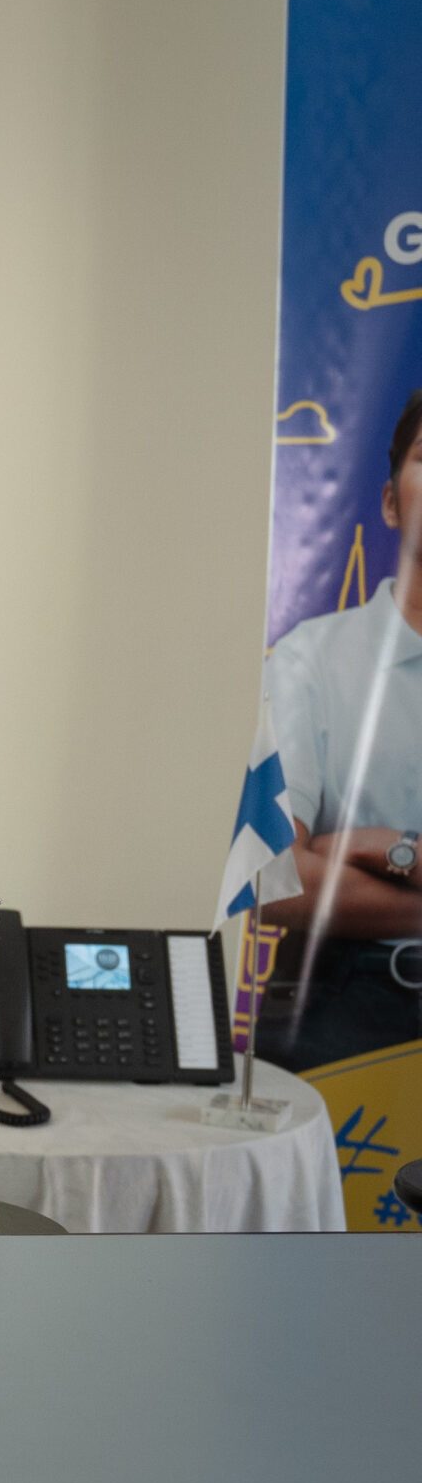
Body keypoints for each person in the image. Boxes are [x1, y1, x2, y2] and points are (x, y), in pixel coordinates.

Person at [256, 390, 422, 1069]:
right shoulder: (309, 661)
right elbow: (272, 873)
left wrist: (382, 848)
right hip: (351, 1004)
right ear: (390, 502)